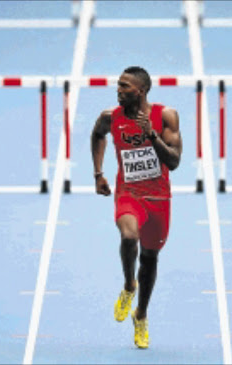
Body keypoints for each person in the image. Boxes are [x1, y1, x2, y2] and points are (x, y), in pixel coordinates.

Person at [91, 66, 182, 348]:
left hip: (158, 199)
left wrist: (151, 135)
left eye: (124, 86)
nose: (118, 90)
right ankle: (129, 285)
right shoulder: (111, 117)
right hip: (128, 193)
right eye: (117, 85)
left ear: (140, 91)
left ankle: (141, 315)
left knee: (150, 259)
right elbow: (97, 135)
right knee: (129, 236)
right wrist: (98, 174)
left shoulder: (166, 116)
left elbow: (175, 162)